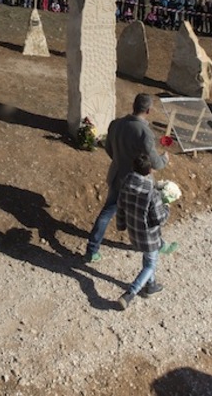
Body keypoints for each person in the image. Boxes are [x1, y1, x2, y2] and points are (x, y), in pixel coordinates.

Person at [85, 93, 169, 263]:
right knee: (148, 213)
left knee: (107, 212)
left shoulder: (116, 124)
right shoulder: (145, 133)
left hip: (116, 175)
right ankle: (158, 244)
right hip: (137, 182)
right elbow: (155, 163)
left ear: (134, 105)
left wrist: (119, 161)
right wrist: (165, 158)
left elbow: (109, 149)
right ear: (149, 110)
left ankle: (92, 249)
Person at [114, 153, 176, 309]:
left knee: (148, 258)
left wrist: (121, 225)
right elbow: (159, 218)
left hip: (133, 232)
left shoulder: (126, 183)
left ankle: (151, 285)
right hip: (149, 236)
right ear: (149, 171)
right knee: (150, 265)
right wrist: (167, 206)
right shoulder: (151, 192)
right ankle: (129, 294)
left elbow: (120, 206)